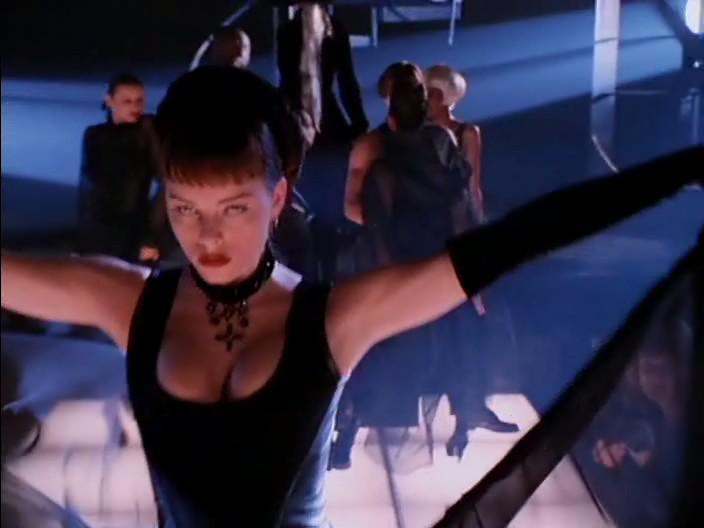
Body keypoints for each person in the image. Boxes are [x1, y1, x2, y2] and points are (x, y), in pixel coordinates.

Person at [1, 67, 700, 526]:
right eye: (186, 209)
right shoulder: (130, 301)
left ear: (278, 199)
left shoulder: (333, 317)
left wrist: (679, 171)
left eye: (234, 209)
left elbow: (512, 241)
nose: (206, 236)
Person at [77, 73, 167, 263]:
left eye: (139, 101)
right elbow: (87, 189)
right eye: (127, 101)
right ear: (109, 101)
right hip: (99, 232)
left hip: (135, 232)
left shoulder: (147, 129)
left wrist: (152, 237)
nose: (135, 107)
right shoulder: (94, 135)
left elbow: (167, 183)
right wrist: (82, 241)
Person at [277, 1, 369, 147]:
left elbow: (347, 80)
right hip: (299, 115)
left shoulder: (335, 29)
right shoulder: (287, 31)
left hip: (317, 114)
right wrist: (359, 122)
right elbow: (347, 79)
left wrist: (359, 122)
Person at [425, 64, 486, 222]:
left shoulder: (468, 133)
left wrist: (479, 218)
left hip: (456, 215)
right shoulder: (418, 132)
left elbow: (473, 183)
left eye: (430, 94)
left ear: (446, 97)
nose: (424, 100)